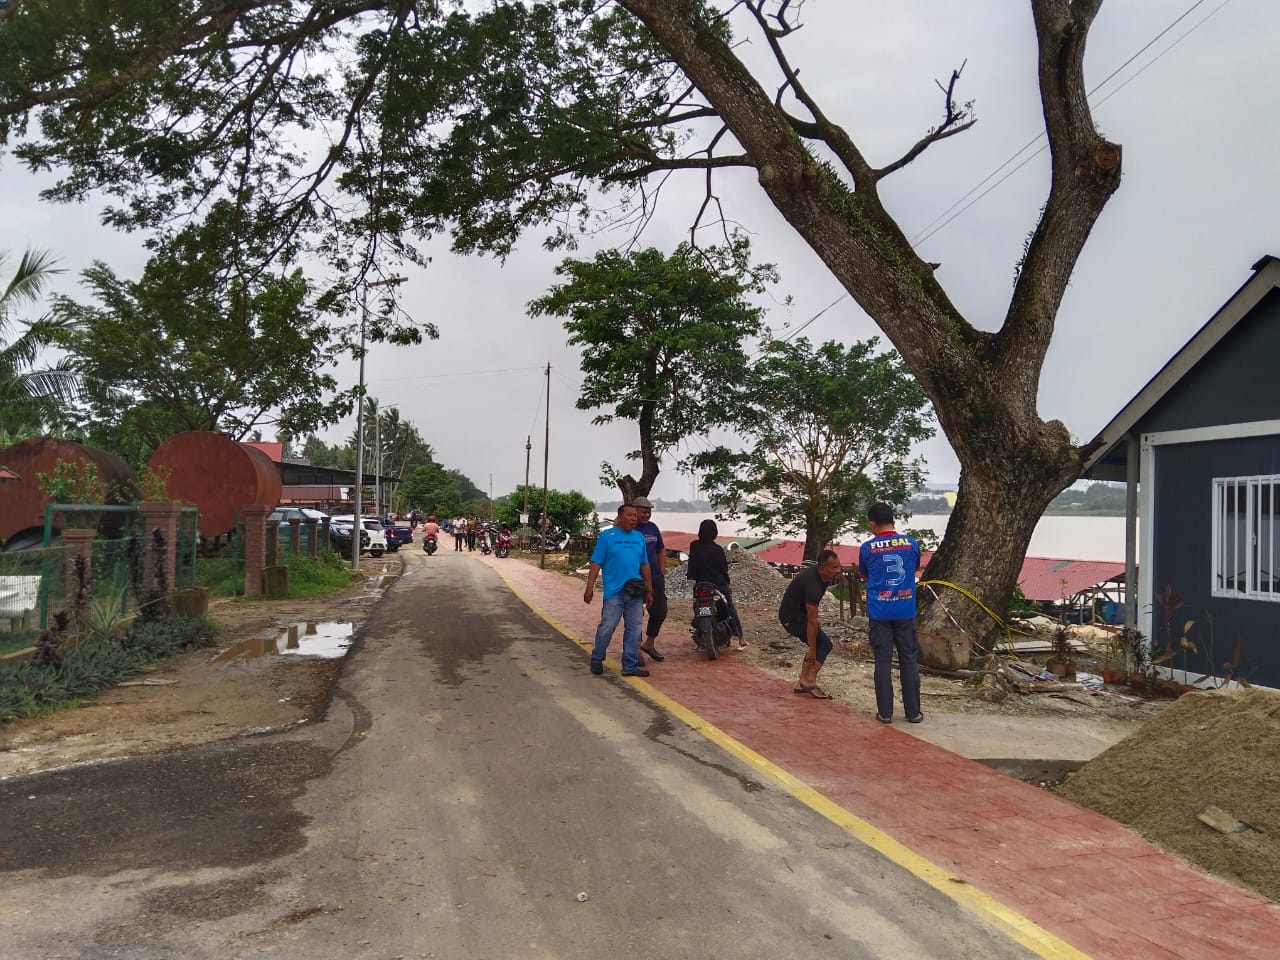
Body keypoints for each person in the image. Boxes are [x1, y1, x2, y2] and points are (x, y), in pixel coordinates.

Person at [858, 502, 923, 724]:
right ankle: (913, 713)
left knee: (882, 661)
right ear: (892, 521)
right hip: (905, 610)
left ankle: (885, 713)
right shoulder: (911, 544)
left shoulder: (867, 548)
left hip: (880, 612)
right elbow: (914, 569)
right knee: (909, 660)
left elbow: (865, 575)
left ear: (872, 524)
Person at [583, 504, 653, 677]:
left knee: (635, 630)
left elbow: (645, 564)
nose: (634, 518)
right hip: (614, 593)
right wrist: (590, 587)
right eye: (629, 515)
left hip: (635, 592)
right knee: (607, 627)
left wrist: (649, 590)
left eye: (635, 515)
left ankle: (629, 666)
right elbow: (596, 563)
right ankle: (597, 657)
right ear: (620, 517)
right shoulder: (607, 536)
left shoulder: (639, 537)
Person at [778, 549, 844, 699]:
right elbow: (812, 620)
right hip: (791, 617)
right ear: (822, 568)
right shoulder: (813, 586)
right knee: (823, 644)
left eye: (839, 566)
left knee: (818, 642)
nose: (838, 570)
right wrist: (812, 649)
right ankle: (809, 680)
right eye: (834, 567)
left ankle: (802, 681)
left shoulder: (820, 575)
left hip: (799, 613)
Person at [685, 518, 746, 650]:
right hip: (718, 584)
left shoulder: (694, 545)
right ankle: (740, 638)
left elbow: (692, 564)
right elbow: (724, 568)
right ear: (715, 533)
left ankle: (700, 630)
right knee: (729, 608)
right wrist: (727, 582)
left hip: (701, 584)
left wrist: (691, 575)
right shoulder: (717, 549)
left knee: (697, 605)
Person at [631, 497, 669, 663]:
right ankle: (635, 650)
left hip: (655, 578)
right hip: (635, 579)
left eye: (649, 512)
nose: (647, 515)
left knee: (660, 611)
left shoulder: (653, 528)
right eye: (643, 512)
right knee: (635, 614)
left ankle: (649, 643)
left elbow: (661, 549)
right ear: (635, 511)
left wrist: (661, 569)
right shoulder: (630, 529)